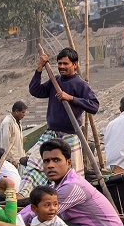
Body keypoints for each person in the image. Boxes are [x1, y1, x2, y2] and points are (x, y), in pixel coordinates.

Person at [20, 47, 98, 196]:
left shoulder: (80, 84)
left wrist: (71, 98)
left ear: (75, 64)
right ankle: (25, 194)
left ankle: (72, 198)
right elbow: (35, 91)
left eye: (65, 64)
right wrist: (39, 68)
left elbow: (94, 105)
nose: (62, 67)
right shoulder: (55, 80)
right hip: (51, 133)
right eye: (59, 64)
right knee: (35, 161)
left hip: (70, 134)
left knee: (71, 171)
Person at [18, 139, 122, 226]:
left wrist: (12, 223)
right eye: (46, 161)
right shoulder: (58, 185)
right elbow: (34, 208)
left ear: (69, 163)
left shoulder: (72, 186)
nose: (50, 165)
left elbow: (36, 213)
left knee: (47, 221)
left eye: (56, 160)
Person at [0, 101, 27, 167]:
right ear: (16, 111)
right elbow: (6, 143)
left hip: (19, 159)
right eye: (22, 112)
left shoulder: (18, 122)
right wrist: (12, 159)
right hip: (11, 161)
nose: (24, 115)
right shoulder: (8, 122)